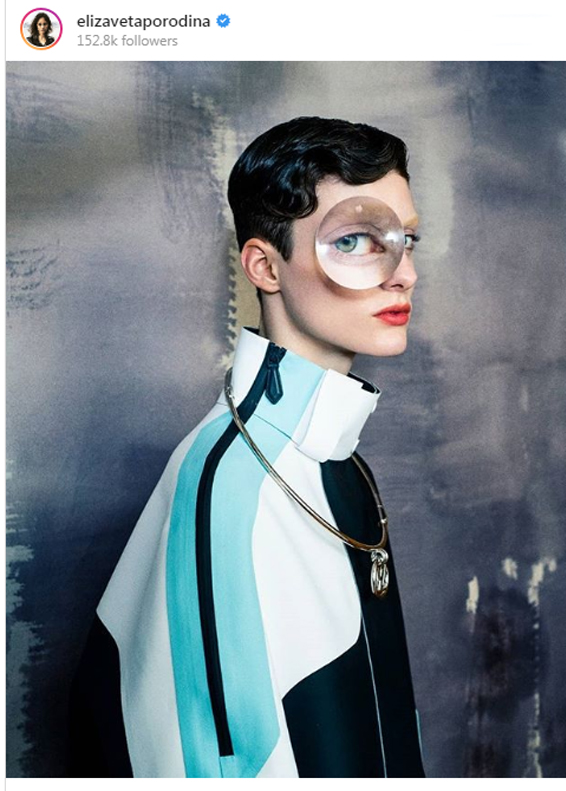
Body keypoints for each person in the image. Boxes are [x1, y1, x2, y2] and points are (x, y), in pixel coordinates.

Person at [68, 116, 426, 778]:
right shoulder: (229, 485)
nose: (401, 273)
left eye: (407, 240)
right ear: (265, 265)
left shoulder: (341, 461)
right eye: (354, 240)